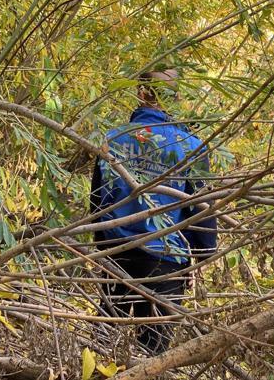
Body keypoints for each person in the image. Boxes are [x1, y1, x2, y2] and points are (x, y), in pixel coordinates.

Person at [89, 68, 217, 355]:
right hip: (167, 260)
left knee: (104, 346)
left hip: (116, 254)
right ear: (174, 99)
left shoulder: (113, 138)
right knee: (154, 354)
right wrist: (202, 253)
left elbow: (97, 203)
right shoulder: (191, 147)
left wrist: (102, 246)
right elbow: (201, 206)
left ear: (140, 92)